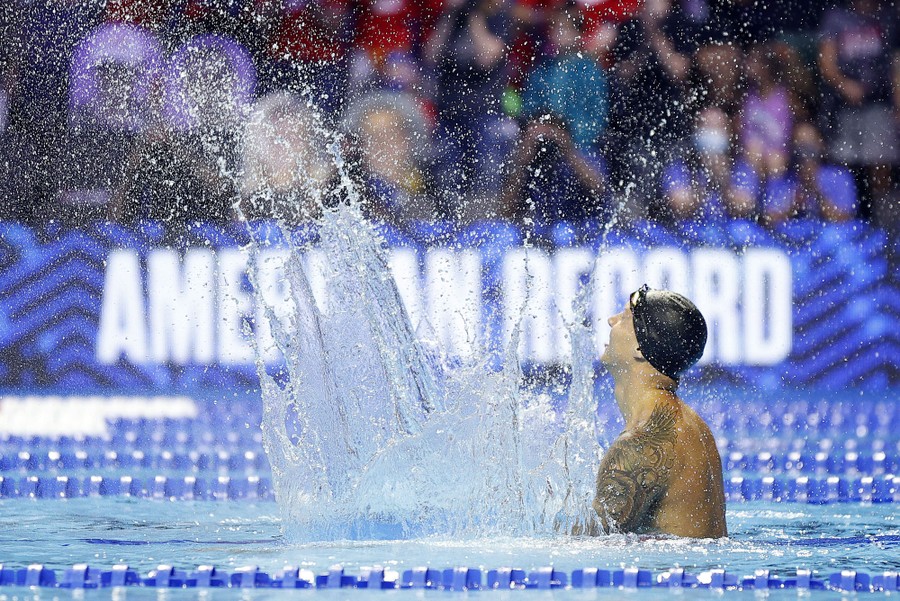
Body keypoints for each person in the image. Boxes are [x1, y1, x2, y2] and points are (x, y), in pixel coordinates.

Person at [593, 285, 727, 538]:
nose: (611, 321)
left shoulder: (640, 445)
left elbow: (584, 544)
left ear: (639, 349)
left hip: (672, 575)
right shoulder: (690, 423)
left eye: (623, 318)